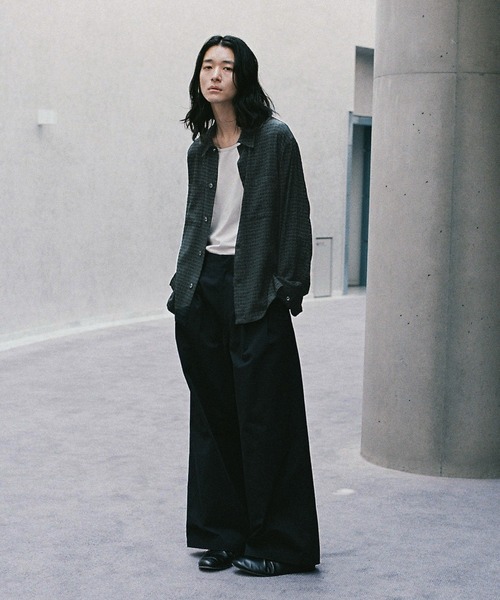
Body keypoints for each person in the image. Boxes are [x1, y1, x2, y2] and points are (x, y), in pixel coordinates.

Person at [167, 34, 320, 577]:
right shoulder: (200, 149)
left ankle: (281, 543)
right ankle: (224, 534)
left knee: (266, 417)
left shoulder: (275, 139)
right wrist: (182, 289)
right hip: (203, 288)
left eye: (226, 67)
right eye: (207, 66)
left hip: (256, 288)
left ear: (243, 76)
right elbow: (197, 221)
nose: (215, 75)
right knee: (214, 418)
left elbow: (295, 216)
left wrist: (287, 288)